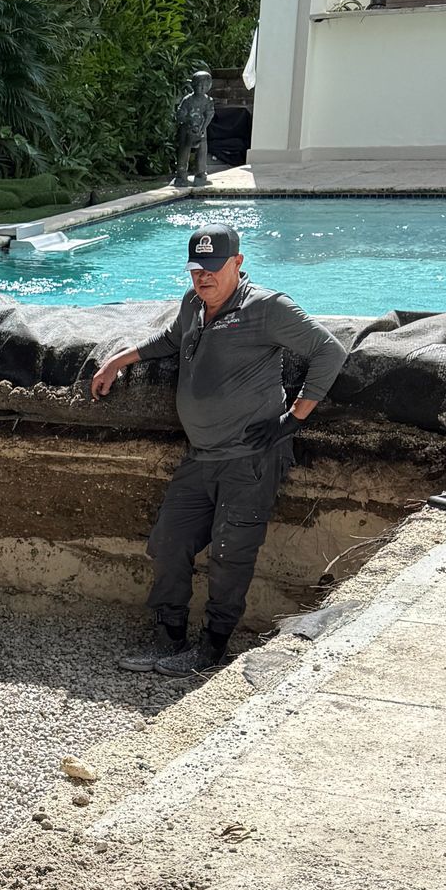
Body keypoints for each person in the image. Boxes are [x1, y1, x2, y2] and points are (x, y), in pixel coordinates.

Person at [90, 223, 346, 677]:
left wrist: (294, 417)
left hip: (250, 458)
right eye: (196, 269)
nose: (203, 277)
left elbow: (330, 350)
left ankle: (212, 649)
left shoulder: (267, 307)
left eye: (212, 267)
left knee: (231, 554)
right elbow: (172, 339)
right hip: (201, 455)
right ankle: (170, 638)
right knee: (168, 543)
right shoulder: (194, 303)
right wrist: (118, 359)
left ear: (237, 263)